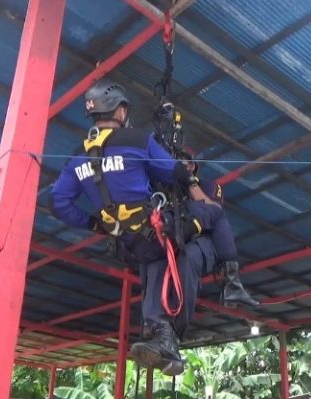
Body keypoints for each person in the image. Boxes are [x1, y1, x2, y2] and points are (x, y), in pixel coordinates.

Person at [49, 80, 216, 376]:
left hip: (125, 242)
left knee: (153, 268)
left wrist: (94, 223)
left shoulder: (79, 155)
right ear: (121, 110)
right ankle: (166, 335)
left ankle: (154, 332)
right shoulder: (138, 139)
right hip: (155, 232)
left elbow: (58, 202)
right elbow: (174, 170)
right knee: (188, 251)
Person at [175, 150, 259, 307]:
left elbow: (212, 211)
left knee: (190, 256)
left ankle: (232, 283)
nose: (177, 165)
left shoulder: (209, 185)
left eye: (181, 162)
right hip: (171, 233)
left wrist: (189, 183)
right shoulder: (166, 185)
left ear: (191, 166)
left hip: (199, 237)